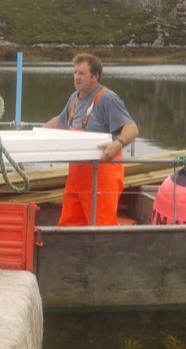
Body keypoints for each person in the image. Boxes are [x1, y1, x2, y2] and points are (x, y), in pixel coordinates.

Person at [43, 53, 138, 226]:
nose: (77, 77)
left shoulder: (107, 98)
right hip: (76, 177)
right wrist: (36, 134)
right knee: (69, 226)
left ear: (95, 76)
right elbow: (59, 121)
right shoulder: (74, 98)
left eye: (82, 73)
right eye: (75, 72)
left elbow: (131, 128)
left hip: (101, 176)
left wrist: (118, 144)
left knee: (102, 226)